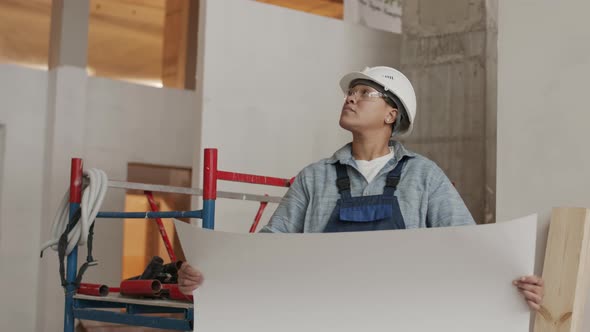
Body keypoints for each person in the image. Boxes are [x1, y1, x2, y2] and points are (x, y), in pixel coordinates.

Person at [178, 66, 544, 310]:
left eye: (365, 92)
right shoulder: (314, 177)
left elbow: (469, 249)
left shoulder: (424, 177)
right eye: (351, 92)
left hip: (403, 319)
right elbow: (268, 249)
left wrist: (514, 285)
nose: (350, 97)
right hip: (324, 317)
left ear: (391, 115)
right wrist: (208, 277)